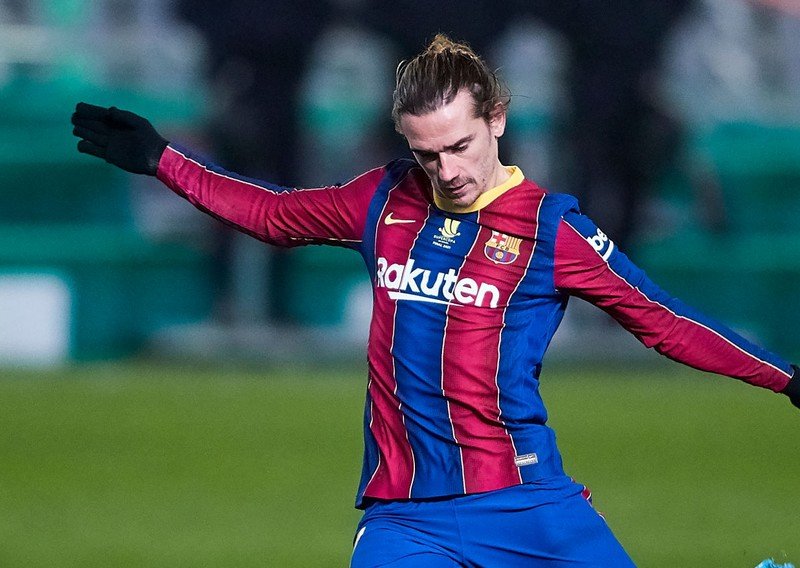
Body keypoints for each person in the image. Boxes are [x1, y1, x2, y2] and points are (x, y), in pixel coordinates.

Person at [71, 34, 798, 567]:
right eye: (427, 153)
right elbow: (273, 213)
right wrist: (162, 160)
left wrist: (788, 379)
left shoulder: (553, 230)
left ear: (497, 119)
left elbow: (663, 320)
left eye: (460, 146)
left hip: (526, 504)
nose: (447, 171)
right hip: (405, 519)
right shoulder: (384, 198)